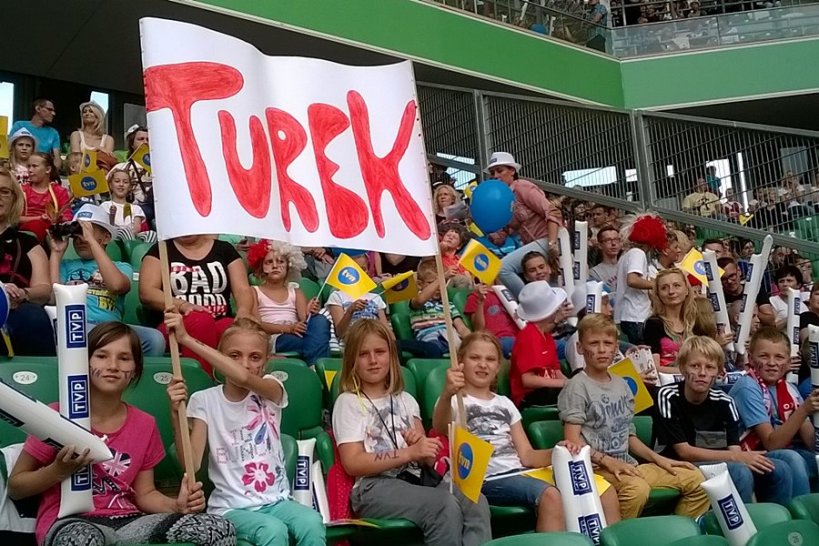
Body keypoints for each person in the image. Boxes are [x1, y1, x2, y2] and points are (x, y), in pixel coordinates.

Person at [7, 322, 235, 546]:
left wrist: (177, 506)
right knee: (82, 540)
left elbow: (145, 494)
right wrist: (57, 471)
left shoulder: (145, 424)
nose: (113, 365)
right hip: (70, 522)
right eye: (102, 356)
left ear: (135, 369)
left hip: (127, 520)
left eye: (124, 358)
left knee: (216, 528)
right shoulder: (56, 416)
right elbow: (16, 487)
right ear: (84, 363)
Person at [433, 331, 622, 531]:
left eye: (490, 359)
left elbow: (527, 456)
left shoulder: (505, 403)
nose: (483, 364)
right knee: (550, 496)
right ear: (460, 362)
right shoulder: (454, 401)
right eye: (474, 358)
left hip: (520, 472)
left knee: (604, 490)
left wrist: (559, 452)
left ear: (498, 367)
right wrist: (447, 393)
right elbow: (440, 425)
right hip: (487, 479)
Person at [165, 315, 326, 546]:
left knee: (312, 521)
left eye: (255, 357)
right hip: (230, 508)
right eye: (234, 355)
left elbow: (243, 377)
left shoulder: (272, 389)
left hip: (277, 502)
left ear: (266, 361)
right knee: (272, 530)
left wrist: (186, 339)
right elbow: (191, 463)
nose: (244, 363)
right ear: (220, 357)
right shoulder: (204, 400)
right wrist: (175, 415)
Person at [332, 319, 491, 546]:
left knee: (475, 501)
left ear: (391, 356)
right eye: (363, 354)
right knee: (442, 505)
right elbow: (353, 463)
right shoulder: (347, 402)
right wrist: (409, 453)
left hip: (417, 479)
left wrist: (422, 448)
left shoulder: (406, 400)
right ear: (352, 361)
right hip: (374, 487)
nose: (373, 360)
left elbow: (426, 459)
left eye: (380, 352)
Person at [558, 313, 710, 520]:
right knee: (636, 489)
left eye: (607, 343)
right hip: (597, 470)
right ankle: (619, 534)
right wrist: (608, 462)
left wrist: (660, 460)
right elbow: (572, 441)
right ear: (580, 348)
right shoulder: (576, 387)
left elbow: (628, 435)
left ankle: (677, 532)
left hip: (628, 465)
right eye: (594, 343)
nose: (601, 349)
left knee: (696, 479)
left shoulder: (622, 384)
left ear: (615, 348)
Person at [656, 336, 794, 505]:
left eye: (710, 367)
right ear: (683, 368)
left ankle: (775, 518)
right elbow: (684, 452)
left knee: (781, 469)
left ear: (719, 372)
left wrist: (739, 457)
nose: (702, 373)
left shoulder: (725, 402)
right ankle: (743, 521)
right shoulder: (668, 395)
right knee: (740, 471)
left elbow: (734, 449)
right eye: (695, 366)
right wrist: (737, 457)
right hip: (678, 465)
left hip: (719, 464)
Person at [49, 204, 166, 356]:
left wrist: (91, 241)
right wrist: (56, 253)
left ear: (106, 237)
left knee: (155, 339)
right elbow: (53, 299)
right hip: (76, 325)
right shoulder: (66, 265)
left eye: (87, 232)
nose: (80, 239)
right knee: (81, 333)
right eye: (76, 235)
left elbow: (116, 286)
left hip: (111, 328)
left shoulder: (121, 267)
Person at [139, 234, 253, 376]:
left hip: (220, 319)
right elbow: (147, 292)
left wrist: (243, 310)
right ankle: (202, 381)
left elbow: (242, 289)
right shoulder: (160, 250)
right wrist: (183, 305)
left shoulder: (225, 249)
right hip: (175, 324)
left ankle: (237, 384)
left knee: (234, 330)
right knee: (201, 320)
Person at [728, 328, 819, 494]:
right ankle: (800, 508)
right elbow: (772, 444)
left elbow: (812, 443)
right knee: (793, 458)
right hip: (752, 454)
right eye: (764, 356)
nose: (772, 363)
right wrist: (805, 409)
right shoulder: (747, 387)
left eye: (779, 357)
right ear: (751, 358)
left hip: (790, 450)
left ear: (788, 361)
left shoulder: (790, 388)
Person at [486, 152, 561, 298]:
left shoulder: (523, 187)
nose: (495, 176)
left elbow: (552, 212)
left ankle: (530, 300)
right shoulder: (501, 199)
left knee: (502, 268)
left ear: (512, 171)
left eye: (499, 171)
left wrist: (552, 243)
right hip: (535, 247)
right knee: (553, 284)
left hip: (549, 238)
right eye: (492, 173)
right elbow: (502, 235)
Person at [246, 239, 329, 365]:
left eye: (281, 262)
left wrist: (310, 311)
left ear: (289, 266)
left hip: (298, 333)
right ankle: (317, 367)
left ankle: (315, 365)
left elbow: (304, 320)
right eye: (269, 262)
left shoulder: (295, 291)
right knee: (315, 342)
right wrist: (288, 328)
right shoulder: (254, 291)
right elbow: (257, 324)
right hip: (274, 337)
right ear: (261, 267)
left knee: (320, 320)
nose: (275, 266)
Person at [0, 167, 55, 356]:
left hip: (17, 310)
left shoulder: (28, 242)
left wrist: (22, 293)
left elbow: (44, 288)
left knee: (34, 317)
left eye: (4, 192)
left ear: (14, 199)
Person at [510, 281, 572, 408]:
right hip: (530, 398)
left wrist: (572, 384)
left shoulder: (546, 335)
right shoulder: (528, 336)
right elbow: (528, 380)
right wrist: (564, 384)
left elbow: (556, 371)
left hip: (548, 391)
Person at [614, 214, 668, 345]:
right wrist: (657, 284)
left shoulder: (625, 255)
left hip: (626, 315)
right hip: (636, 315)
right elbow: (632, 280)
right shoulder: (638, 253)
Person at [409, 258, 471, 356]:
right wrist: (441, 278)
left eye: (442, 283)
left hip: (450, 338)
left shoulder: (448, 305)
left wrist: (473, 341)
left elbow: (462, 328)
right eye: (432, 283)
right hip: (429, 339)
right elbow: (420, 300)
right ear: (420, 284)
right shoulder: (418, 300)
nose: (438, 287)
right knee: (433, 349)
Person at [644, 268, 697, 374]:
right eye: (664, 288)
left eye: (677, 285)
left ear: (686, 290)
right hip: (668, 380)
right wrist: (688, 372)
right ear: (658, 294)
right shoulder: (653, 324)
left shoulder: (695, 319)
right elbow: (654, 367)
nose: (671, 292)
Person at [19, 153, 73, 242]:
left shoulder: (59, 191)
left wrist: (60, 218)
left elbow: (68, 217)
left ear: (48, 169)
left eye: (34, 166)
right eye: (28, 166)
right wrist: (39, 219)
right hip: (24, 233)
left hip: (52, 233)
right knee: (37, 225)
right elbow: (14, 218)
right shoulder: (21, 190)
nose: (30, 170)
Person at [99, 168, 157, 243]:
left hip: (133, 236)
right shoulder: (105, 205)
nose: (121, 184)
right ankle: (132, 249)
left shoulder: (136, 208)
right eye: (117, 181)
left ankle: (142, 250)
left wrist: (131, 234)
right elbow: (106, 227)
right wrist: (112, 215)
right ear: (111, 185)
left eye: (125, 182)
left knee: (152, 234)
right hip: (114, 237)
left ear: (129, 187)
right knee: (124, 230)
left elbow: (137, 228)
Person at [111, 125, 153, 226]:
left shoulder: (162, 167)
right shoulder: (121, 167)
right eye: (140, 139)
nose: (145, 142)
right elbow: (105, 189)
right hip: (130, 208)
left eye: (148, 139)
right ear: (132, 144)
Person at [464, 281, 518, 358]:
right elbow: (478, 329)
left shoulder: (504, 292)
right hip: (497, 340)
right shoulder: (474, 297)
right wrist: (480, 302)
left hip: (518, 336)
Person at [718, 257, 776, 327]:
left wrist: (750, 312)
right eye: (724, 279)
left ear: (739, 271)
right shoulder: (719, 298)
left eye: (732, 276)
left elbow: (771, 321)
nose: (729, 281)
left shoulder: (755, 290)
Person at [9, 98, 61, 170]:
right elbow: (9, 149)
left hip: (42, 171)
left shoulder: (53, 132)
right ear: (38, 109)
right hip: (16, 168)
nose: (53, 113)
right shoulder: (20, 125)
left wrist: (51, 173)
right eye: (49, 109)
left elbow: (57, 158)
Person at [769, 265, 808, 331]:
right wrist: (793, 317)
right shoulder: (773, 301)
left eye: (789, 281)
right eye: (781, 281)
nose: (785, 284)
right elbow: (773, 327)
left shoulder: (804, 301)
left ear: (798, 284)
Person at [589, 226, 621, 292]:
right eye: (608, 240)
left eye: (616, 239)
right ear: (600, 245)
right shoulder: (594, 272)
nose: (613, 243)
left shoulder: (626, 266)